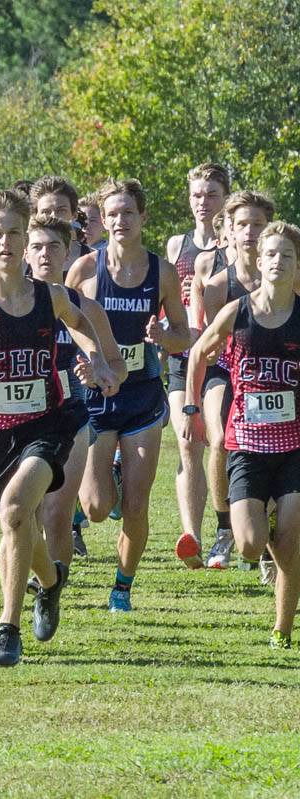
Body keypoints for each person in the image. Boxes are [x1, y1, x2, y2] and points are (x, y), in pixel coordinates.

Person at [0, 190, 118, 667]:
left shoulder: (47, 295)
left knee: (15, 512)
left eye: (15, 233)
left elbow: (77, 320)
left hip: (48, 424)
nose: (7, 243)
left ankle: (5, 631)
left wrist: (95, 360)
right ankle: (50, 582)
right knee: (20, 529)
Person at [67, 179, 190, 612]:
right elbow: (66, 323)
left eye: (128, 213)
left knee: (136, 505)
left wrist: (163, 336)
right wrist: (88, 362)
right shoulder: (84, 271)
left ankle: (122, 587)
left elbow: (183, 336)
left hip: (141, 396)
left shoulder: (163, 273)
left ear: (143, 217)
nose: (120, 221)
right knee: (97, 507)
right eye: (112, 214)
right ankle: (110, 478)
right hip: (97, 398)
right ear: (102, 218)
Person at [184, 220, 300, 648]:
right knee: (250, 546)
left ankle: (282, 629)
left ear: (297, 264)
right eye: (271, 254)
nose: (277, 261)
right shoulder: (239, 311)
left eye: (286, 255)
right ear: (258, 258)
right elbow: (198, 353)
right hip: (247, 445)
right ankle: (264, 525)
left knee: (290, 542)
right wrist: (191, 406)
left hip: (294, 446)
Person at [24, 214, 126, 575]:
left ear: (68, 254)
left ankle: (48, 594)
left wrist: (102, 373)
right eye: (36, 246)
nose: (45, 254)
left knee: (56, 514)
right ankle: (38, 581)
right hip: (18, 422)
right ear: (25, 251)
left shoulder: (86, 308)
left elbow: (117, 365)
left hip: (71, 420)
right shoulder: (6, 306)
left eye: (54, 247)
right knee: (23, 515)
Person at [188, 191, 273, 570]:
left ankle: (267, 530)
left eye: (258, 224)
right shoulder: (220, 284)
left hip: (275, 375)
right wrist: (192, 402)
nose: (251, 232)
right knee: (221, 438)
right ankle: (224, 528)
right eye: (243, 224)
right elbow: (207, 347)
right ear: (229, 232)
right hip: (227, 372)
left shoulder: (289, 277)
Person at [164, 163, 230, 566]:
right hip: (182, 357)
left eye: (210, 194)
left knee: (217, 442)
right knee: (188, 441)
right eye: (196, 195)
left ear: (224, 198)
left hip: (220, 360)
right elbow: (166, 299)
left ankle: (227, 526)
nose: (202, 202)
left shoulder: (236, 244)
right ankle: (191, 534)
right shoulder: (177, 245)